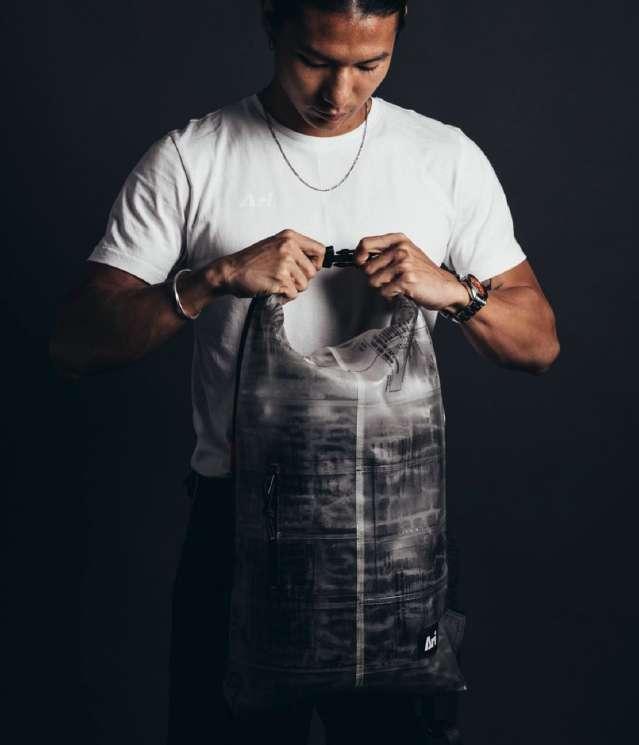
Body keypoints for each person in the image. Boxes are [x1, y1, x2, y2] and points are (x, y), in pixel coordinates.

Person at [50, 1, 560, 743]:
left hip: (397, 527)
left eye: (369, 64)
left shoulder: (443, 157)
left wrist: (454, 291)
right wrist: (212, 278)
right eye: (315, 61)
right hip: (241, 523)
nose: (340, 92)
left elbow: (539, 345)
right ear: (271, 26)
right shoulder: (193, 158)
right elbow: (75, 343)